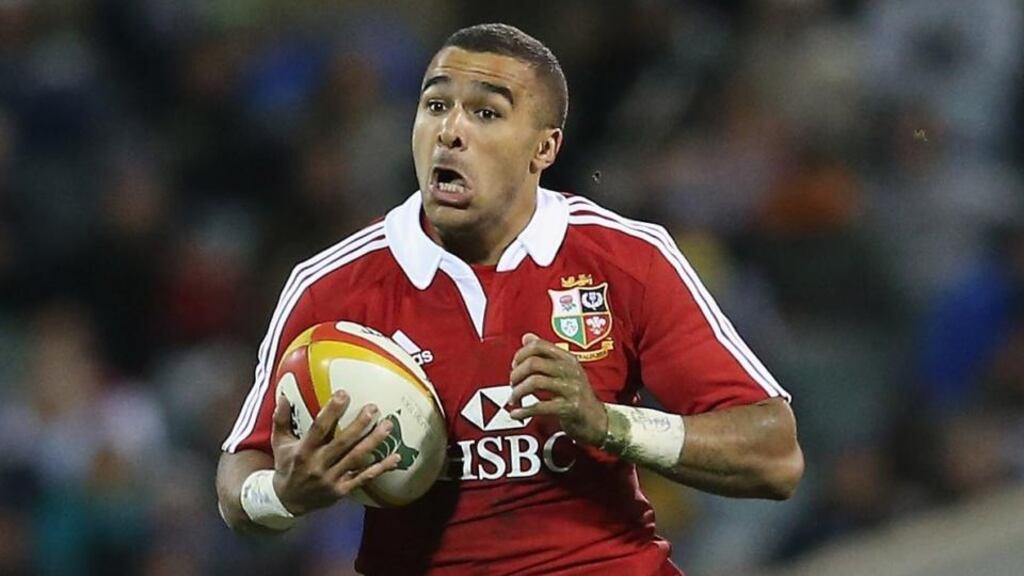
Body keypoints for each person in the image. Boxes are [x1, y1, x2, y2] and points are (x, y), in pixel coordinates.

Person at [216, 23, 804, 575]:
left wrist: (607, 424)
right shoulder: (332, 285)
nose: (450, 131)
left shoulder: (627, 259)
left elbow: (775, 455)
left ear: (544, 148)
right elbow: (238, 479)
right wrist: (284, 495)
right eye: (435, 105)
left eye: (486, 112)